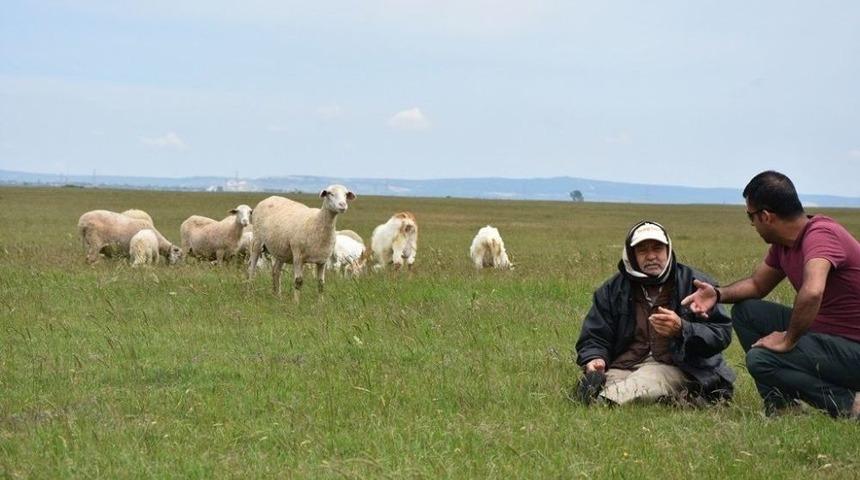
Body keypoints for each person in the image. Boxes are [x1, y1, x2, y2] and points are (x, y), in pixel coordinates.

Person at [682, 170, 860, 418]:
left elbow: (812, 292)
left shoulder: (820, 235)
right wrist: (717, 294)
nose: (751, 224)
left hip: (853, 348)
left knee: (760, 360)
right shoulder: (784, 245)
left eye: (750, 216)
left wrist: (788, 339)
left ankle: (849, 404)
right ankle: (782, 407)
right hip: (828, 335)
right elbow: (757, 285)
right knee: (746, 312)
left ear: (765, 216)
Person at [575, 220, 735, 406]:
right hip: (625, 365)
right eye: (642, 250)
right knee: (607, 379)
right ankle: (605, 395)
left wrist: (682, 329)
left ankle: (603, 402)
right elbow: (594, 336)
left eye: (658, 249)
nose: (651, 256)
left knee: (647, 378)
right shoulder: (612, 290)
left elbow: (721, 334)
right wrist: (595, 358)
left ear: (668, 250)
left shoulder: (696, 284)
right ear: (631, 255)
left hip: (679, 367)